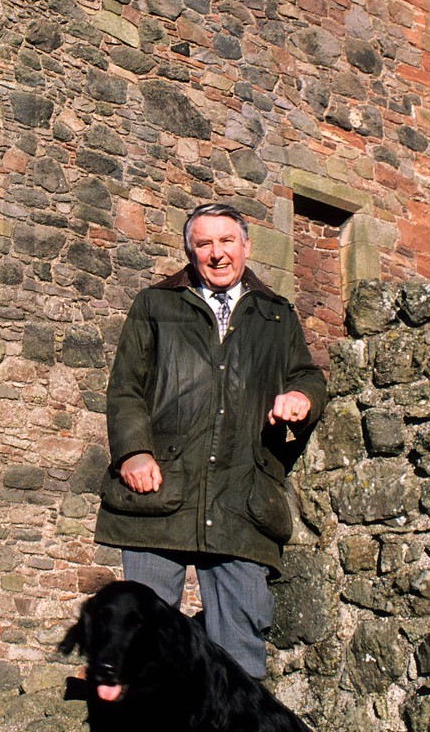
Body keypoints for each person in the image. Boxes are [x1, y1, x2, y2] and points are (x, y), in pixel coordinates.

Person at [96, 202, 327, 678]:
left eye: (226, 241)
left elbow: (307, 373)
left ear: (245, 246)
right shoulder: (155, 304)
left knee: (239, 650)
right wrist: (135, 452)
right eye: (204, 244)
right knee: (145, 643)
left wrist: (303, 396)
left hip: (243, 498)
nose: (217, 254)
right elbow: (125, 389)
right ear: (190, 250)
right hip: (158, 495)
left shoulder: (277, 315)